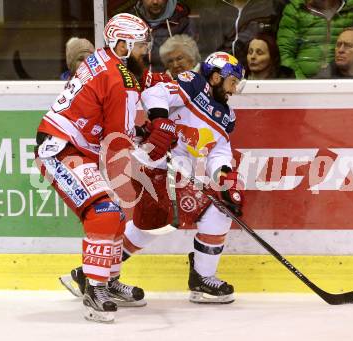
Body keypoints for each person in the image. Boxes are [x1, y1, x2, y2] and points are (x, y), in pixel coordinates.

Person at [60, 51, 246, 304]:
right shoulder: (194, 84)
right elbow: (154, 93)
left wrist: (223, 176)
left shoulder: (227, 116)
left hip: (173, 173)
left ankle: (92, 274)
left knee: (151, 227)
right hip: (157, 165)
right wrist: (161, 122)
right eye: (232, 82)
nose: (234, 89)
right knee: (215, 211)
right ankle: (202, 279)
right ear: (215, 77)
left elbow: (219, 150)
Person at [35, 13, 177, 323]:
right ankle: (94, 288)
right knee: (105, 212)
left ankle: (108, 282)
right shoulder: (120, 79)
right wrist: (153, 147)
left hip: (75, 145)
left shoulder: (103, 59)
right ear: (122, 45)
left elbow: (105, 115)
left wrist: (142, 131)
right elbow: (118, 144)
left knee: (116, 213)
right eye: (142, 46)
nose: (147, 53)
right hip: (60, 149)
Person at [277, 0, 353, 79]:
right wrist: (301, 82)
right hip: (302, 80)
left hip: (343, 80)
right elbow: (285, 54)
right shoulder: (296, 9)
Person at [198, 0, 288, 64]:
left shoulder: (271, 7)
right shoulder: (213, 11)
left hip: (259, 79)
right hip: (220, 78)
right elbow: (204, 50)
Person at [129, 0, 197, 72]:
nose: (155, 2)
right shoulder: (129, 21)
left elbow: (193, 61)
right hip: (137, 80)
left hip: (173, 80)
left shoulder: (183, 21)